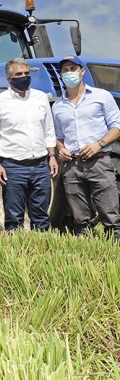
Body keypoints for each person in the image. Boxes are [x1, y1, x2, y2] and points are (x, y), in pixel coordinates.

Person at [52, 55, 120, 241]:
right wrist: (60, 149)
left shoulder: (102, 96)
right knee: (80, 221)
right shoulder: (58, 106)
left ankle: (114, 251)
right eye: (65, 70)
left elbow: (117, 126)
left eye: (72, 69)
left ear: (82, 72)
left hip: (98, 162)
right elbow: (58, 137)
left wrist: (99, 144)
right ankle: (87, 253)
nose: (69, 73)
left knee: (110, 216)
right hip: (72, 166)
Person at [0, 57, 58, 231]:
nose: (24, 77)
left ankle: (40, 248)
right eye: (19, 74)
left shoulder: (41, 98)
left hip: (41, 164)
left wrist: (52, 156)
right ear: (9, 78)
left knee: (41, 215)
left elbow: (49, 131)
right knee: (14, 216)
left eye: (27, 73)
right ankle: (16, 252)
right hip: (13, 166)